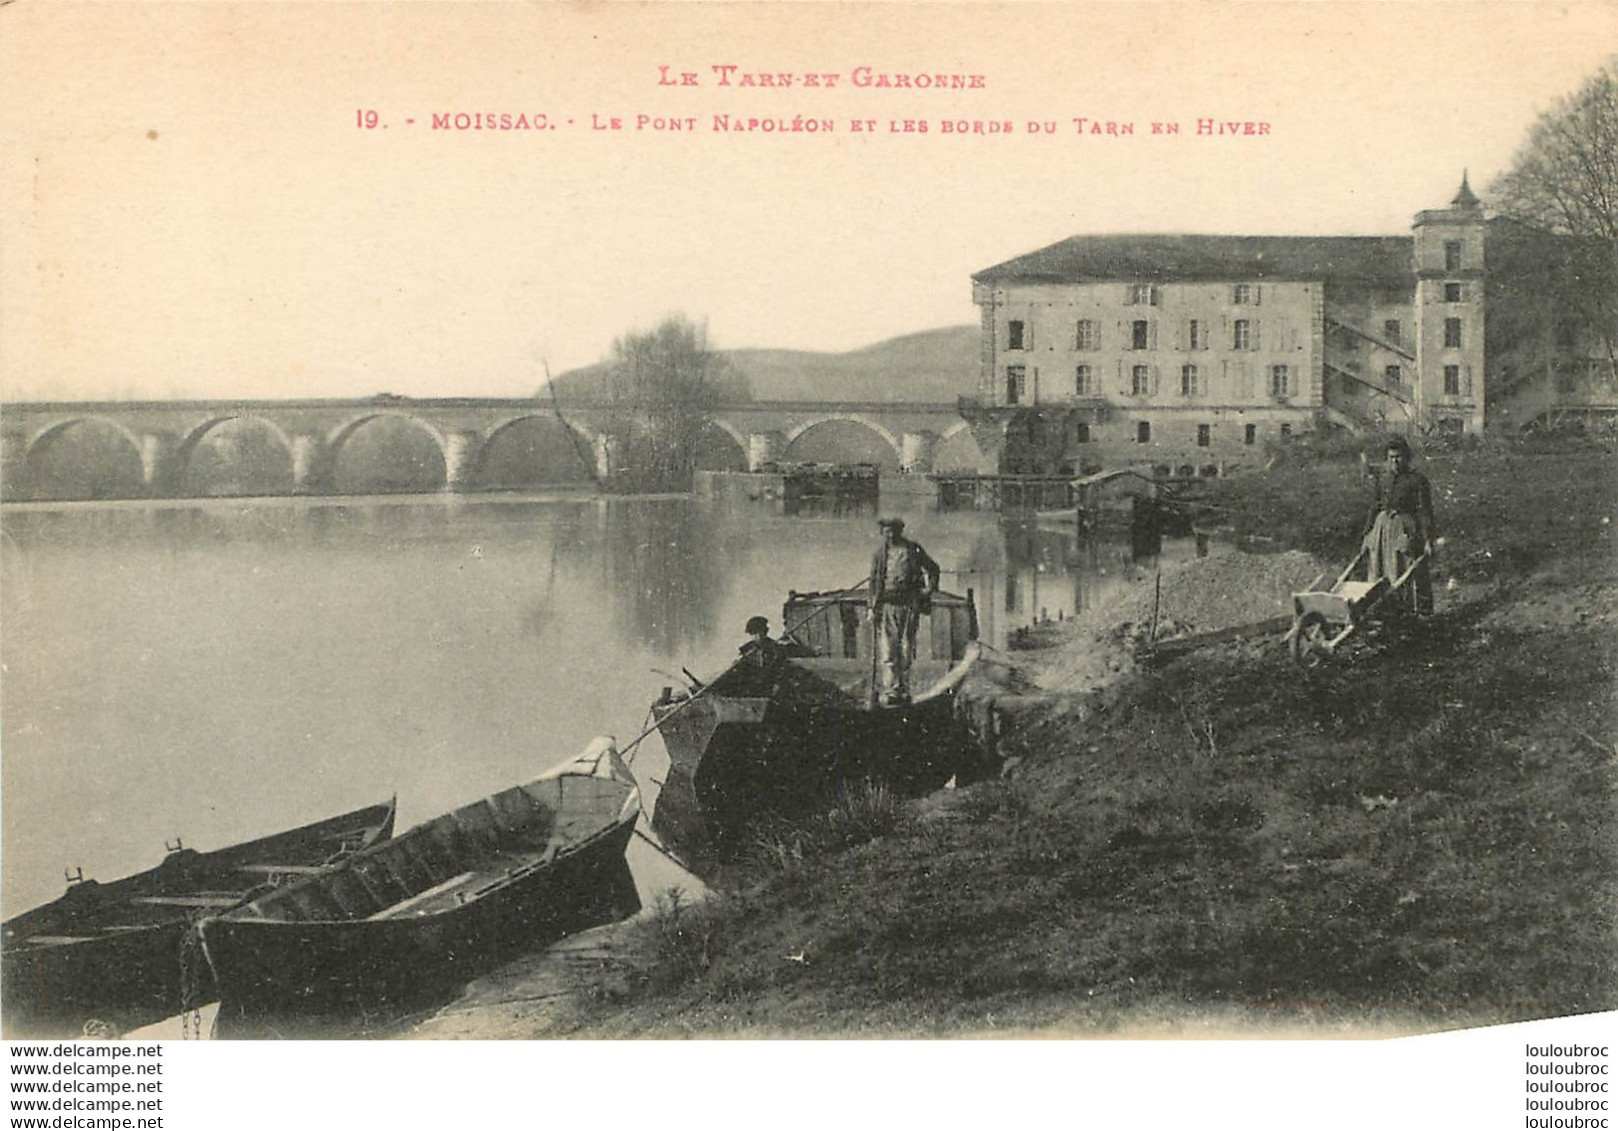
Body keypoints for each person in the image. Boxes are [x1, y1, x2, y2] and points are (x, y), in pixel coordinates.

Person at [868, 517, 941, 705]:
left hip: (909, 605)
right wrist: (871, 606)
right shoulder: (880, 554)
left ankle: (904, 688)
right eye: (886, 531)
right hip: (886, 606)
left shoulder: (913, 549)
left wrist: (928, 590)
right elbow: (874, 582)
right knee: (887, 650)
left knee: (906, 648)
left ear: (900, 531)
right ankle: (891, 690)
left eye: (893, 531)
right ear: (882, 533)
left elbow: (933, 569)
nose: (890, 535)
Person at [1362, 435, 1436, 616]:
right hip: (1382, 529)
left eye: (1398, 457)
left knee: (1403, 568)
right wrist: (1367, 534)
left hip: (1405, 529)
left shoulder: (1417, 480)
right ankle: (1381, 610)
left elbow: (1424, 511)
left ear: (1407, 458)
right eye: (1391, 457)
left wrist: (1428, 539)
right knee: (1379, 568)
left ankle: (1409, 611)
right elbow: (1374, 507)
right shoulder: (1382, 479)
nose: (1394, 461)